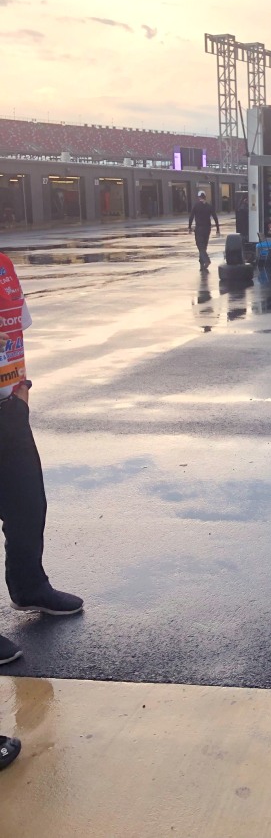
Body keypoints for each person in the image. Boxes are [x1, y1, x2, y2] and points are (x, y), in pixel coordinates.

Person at [0, 251, 83, 672]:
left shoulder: (3, 268)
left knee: (27, 502)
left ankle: (29, 586)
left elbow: (13, 330)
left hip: (8, 407)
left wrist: (20, 390)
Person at [187, 191, 220, 271]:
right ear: (205, 197)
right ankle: (202, 263)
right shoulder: (209, 206)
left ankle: (206, 260)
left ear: (199, 197)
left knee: (200, 246)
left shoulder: (196, 205)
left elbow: (191, 216)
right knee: (204, 246)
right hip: (207, 229)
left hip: (199, 228)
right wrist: (217, 229)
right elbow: (215, 217)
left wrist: (189, 227)